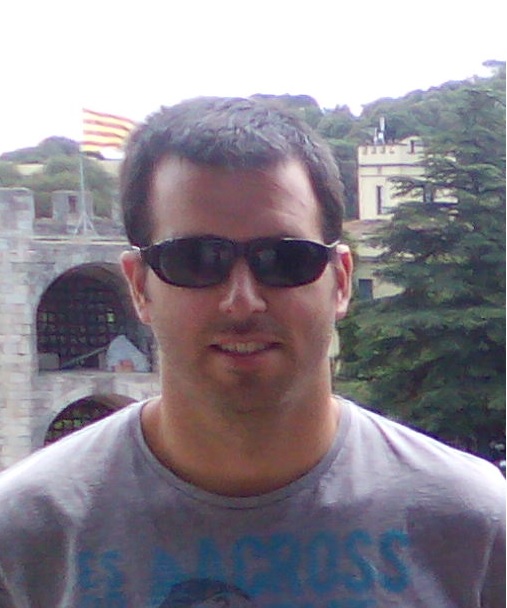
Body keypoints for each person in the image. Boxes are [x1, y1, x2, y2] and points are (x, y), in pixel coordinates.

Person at [0, 97, 504, 608]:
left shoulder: (475, 528)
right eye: (195, 259)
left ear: (341, 281)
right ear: (139, 287)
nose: (242, 301)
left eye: (285, 259)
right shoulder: (23, 534)